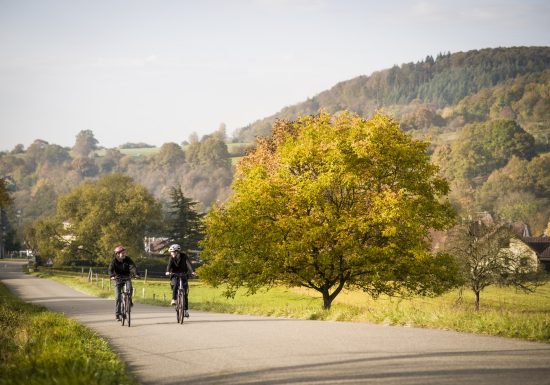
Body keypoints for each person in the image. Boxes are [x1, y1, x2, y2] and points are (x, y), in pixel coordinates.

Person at [108, 245, 140, 321]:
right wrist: (112, 276)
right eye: (122, 253)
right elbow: (110, 270)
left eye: (124, 253)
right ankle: (117, 314)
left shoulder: (128, 259)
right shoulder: (114, 261)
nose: (124, 254)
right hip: (118, 279)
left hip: (126, 277)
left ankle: (129, 301)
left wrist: (136, 274)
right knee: (118, 297)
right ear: (117, 254)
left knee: (130, 289)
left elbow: (132, 266)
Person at [165, 244, 196, 317]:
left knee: (185, 293)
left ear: (177, 252)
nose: (171, 253)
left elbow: (188, 264)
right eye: (171, 252)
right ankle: (174, 299)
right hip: (174, 274)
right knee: (175, 284)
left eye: (172, 252)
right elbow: (169, 265)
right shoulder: (171, 258)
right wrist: (167, 271)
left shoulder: (184, 256)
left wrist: (192, 271)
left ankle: (185, 310)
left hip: (183, 274)